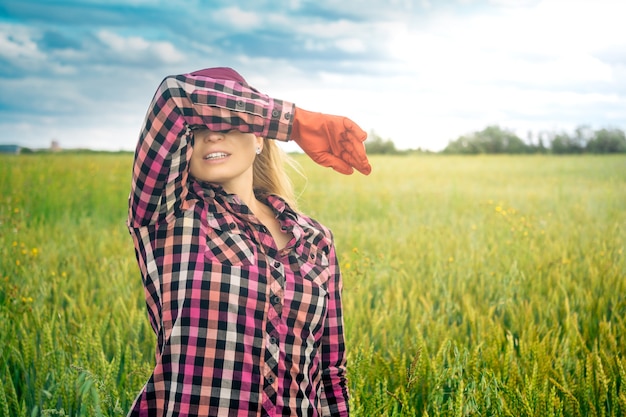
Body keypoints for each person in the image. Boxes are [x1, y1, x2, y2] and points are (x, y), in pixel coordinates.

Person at [127, 66, 371, 417]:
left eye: (228, 125)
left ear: (259, 137)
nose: (211, 137)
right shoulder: (169, 218)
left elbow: (330, 374)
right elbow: (173, 97)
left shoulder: (317, 241)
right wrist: (298, 122)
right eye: (198, 129)